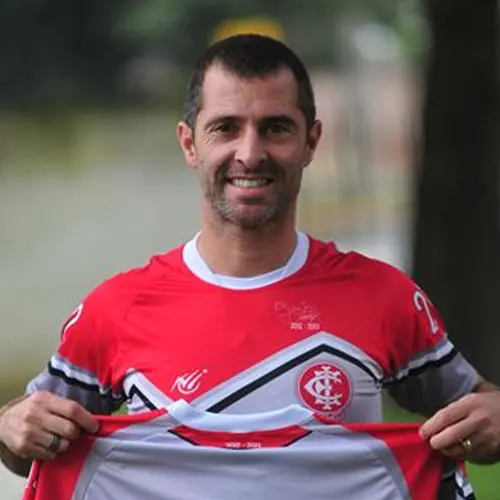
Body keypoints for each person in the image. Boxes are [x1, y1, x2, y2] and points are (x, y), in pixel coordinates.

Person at [1, 33, 499, 485]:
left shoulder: (385, 296)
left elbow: (477, 408)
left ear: (311, 142)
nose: (250, 153)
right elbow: (25, 448)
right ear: (189, 143)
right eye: (226, 128)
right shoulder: (117, 308)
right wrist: (11, 425)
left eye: (275, 128)